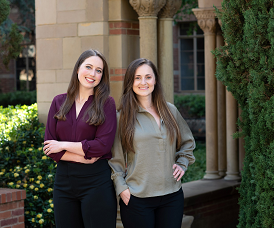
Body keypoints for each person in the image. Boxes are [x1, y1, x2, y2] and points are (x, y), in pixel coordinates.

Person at [109, 58, 195, 228]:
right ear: (130, 82)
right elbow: (114, 158)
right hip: (137, 197)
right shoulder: (122, 117)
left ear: (155, 79)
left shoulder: (170, 111)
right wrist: (121, 188)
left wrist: (183, 163)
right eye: (137, 77)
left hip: (172, 195)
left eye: (148, 77)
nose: (143, 82)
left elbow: (187, 142)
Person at [43, 49, 117, 228]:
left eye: (98, 70)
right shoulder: (58, 102)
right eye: (89, 67)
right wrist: (85, 157)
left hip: (97, 183)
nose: (93, 74)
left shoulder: (107, 103)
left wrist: (63, 145)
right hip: (64, 183)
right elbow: (49, 148)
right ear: (78, 69)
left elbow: (102, 146)